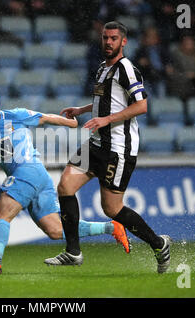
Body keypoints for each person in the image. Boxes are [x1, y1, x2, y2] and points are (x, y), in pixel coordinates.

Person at [0, 85, 131, 275]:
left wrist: (70, 123)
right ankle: (111, 227)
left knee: (1, 216)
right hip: (39, 178)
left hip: (28, 171)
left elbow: (45, 117)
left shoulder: (14, 115)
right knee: (55, 230)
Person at [44, 21, 171, 274]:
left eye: (113, 38)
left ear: (123, 41)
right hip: (96, 143)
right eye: (105, 38)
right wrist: (83, 110)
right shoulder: (103, 68)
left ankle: (158, 244)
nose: (108, 42)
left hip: (118, 148)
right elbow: (107, 102)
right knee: (65, 186)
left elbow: (141, 106)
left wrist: (106, 120)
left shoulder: (127, 69)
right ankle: (73, 251)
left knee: (111, 208)